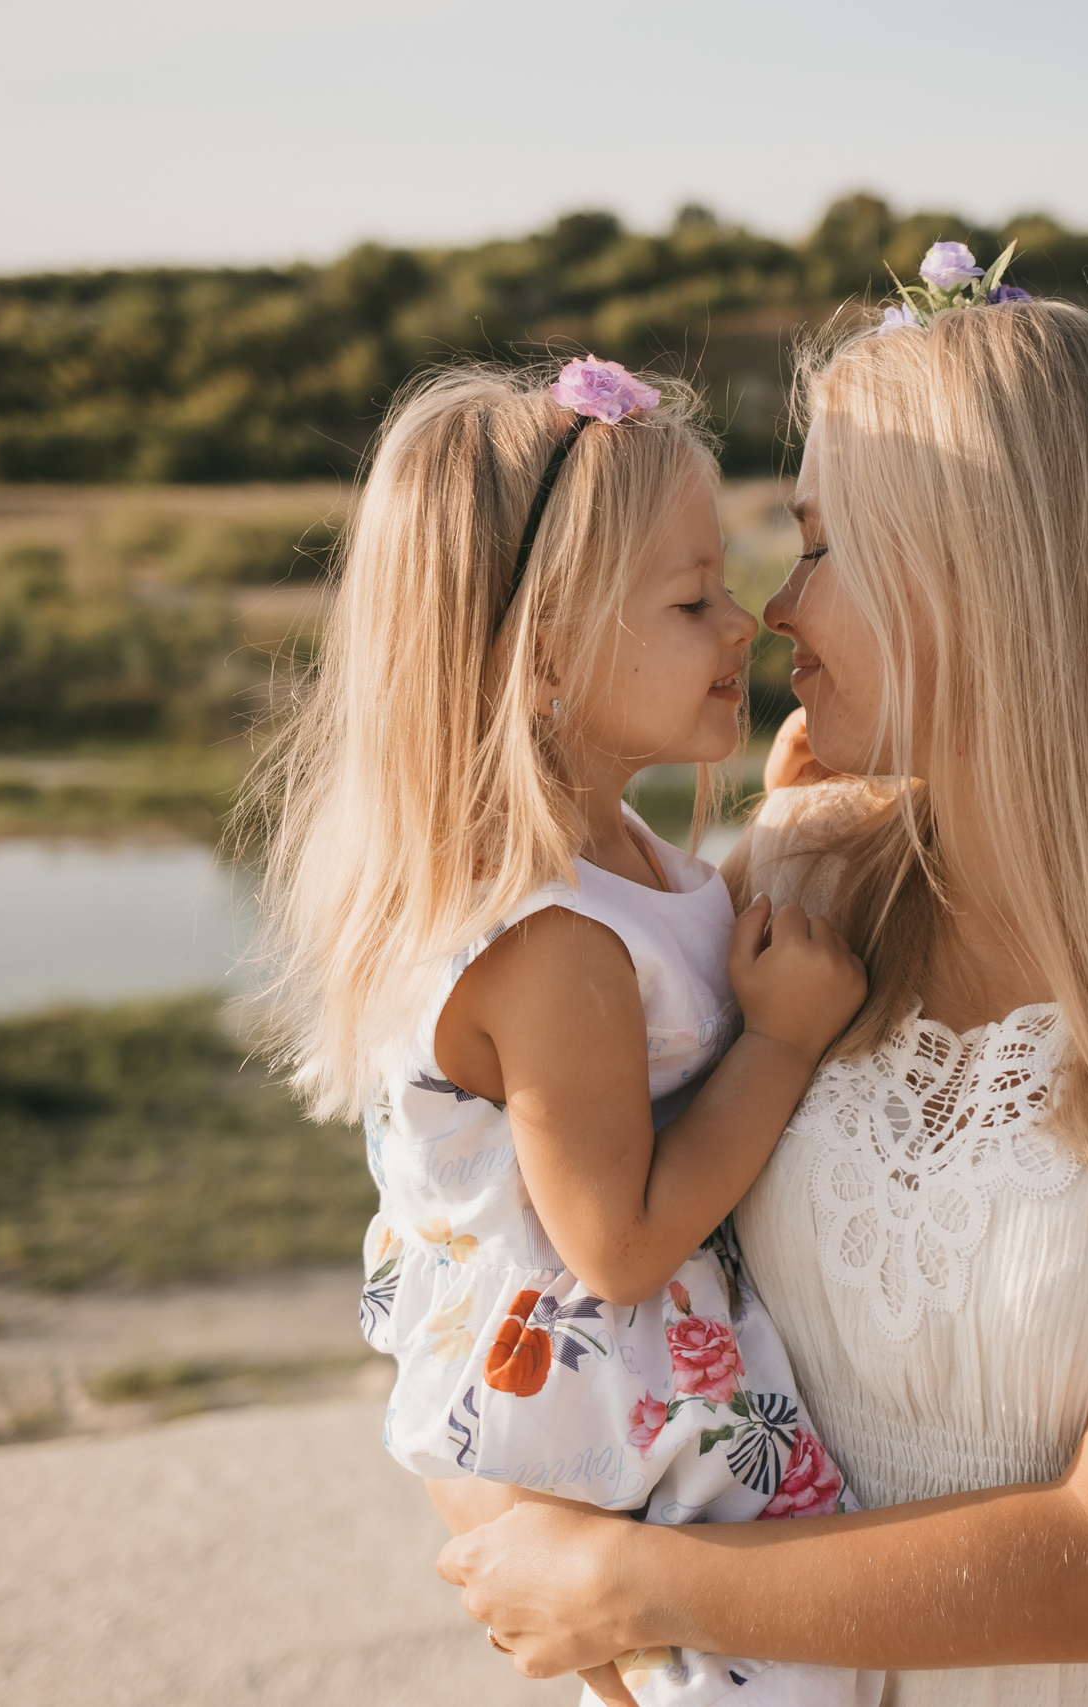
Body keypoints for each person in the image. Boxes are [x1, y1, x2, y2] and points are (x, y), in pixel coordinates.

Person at [435, 267, 1088, 1704]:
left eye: (819, 546)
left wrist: (641, 1587)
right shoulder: (797, 892)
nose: (772, 607)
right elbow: (496, 1240)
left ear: (980, 573)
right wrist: (555, 1578)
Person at [247, 357, 881, 1707]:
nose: (744, 627)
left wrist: (775, 834)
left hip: (651, 1426)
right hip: (622, 1454)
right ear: (543, 650)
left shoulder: (615, 859)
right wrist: (780, 1047)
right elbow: (622, 1239)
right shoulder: (550, 943)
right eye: (693, 598)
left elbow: (686, 984)